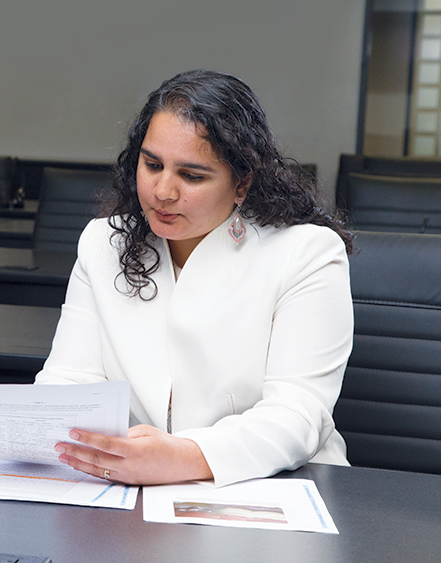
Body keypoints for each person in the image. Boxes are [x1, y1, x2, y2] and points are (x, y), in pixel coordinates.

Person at [36, 70, 354, 487]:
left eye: (192, 175)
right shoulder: (103, 243)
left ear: (242, 182)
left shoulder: (306, 253)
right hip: (128, 488)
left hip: (275, 486)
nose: (162, 191)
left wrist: (183, 457)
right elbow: (68, 383)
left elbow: (297, 416)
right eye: (152, 165)